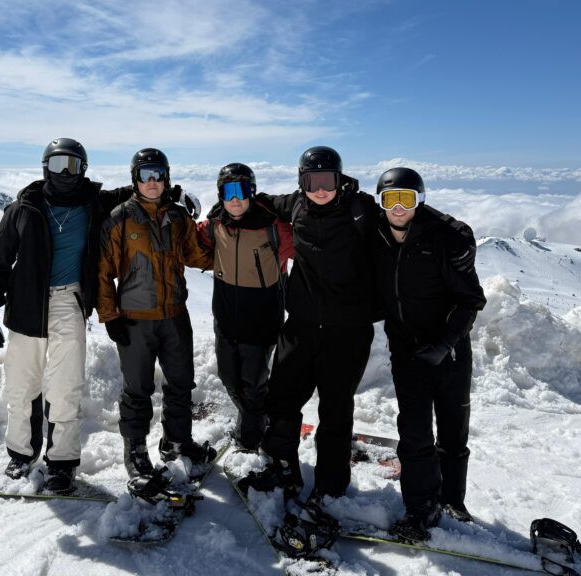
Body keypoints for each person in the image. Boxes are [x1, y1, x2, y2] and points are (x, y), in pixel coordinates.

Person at [0, 138, 135, 493]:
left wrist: (176, 193)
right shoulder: (23, 208)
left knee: (65, 387)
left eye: (72, 165)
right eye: (58, 164)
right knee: (21, 386)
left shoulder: (94, 203)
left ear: (83, 170)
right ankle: (21, 454)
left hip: (69, 302)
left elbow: (138, 191)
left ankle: (62, 463)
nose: (65, 173)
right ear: (45, 167)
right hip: (26, 305)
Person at [243, 146, 381, 503]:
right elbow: (262, 201)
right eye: (312, 181)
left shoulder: (361, 210)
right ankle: (282, 467)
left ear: (340, 180)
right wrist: (224, 211)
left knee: (335, 410)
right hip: (301, 326)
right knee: (281, 400)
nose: (320, 189)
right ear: (301, 183)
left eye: (327, 181)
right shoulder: (296, 205)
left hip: (347, 332)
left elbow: (402, 223)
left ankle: (330, 488)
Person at [370, 167, 486, 541]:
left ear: (420, 200)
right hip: (407, 350)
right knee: (415, 430)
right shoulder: (374, 235)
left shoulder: (444, 237)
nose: (398, 207)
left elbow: (470, 300)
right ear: (380, 202)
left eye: (406, 198)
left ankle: (452, 501)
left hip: (449, 351)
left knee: (453, 429)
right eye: (390, 199)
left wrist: (444, 344)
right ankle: (421, 508)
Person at [97, 148, 214, 479]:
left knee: (180, 383)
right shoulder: (120, 218)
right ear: (135, 179)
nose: (152, 181)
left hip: (175, 315)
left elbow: (197, 256)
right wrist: (109, 316)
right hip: (135, 320)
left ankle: (176, 441)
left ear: (166, 178)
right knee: (138, 388)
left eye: (158, 175)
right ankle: (135, 450)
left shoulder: (178, 217)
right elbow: (103, 270)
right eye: (145, 175)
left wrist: (226, 237)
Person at [198, 163, 292, 451]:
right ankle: (260, 417)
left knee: (252, 384)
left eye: (242, 190)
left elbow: (309, 249)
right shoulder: (215, 224)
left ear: (252, 191)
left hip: (262, 318)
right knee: (228, 377)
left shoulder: (272, 226)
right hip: (226, 317)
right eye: (228, 191)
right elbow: (187, 239)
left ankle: (249, 443)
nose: (235, 198)